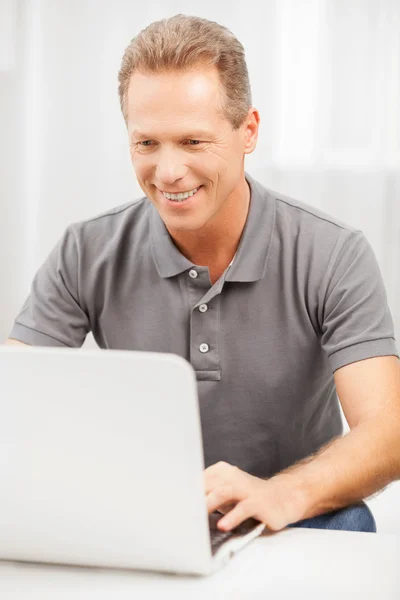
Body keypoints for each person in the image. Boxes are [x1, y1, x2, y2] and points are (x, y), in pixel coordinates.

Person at [6, 15, 400, 535]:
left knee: (350, 523)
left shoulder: (333, 253)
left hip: (292, 510)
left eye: (193, 142)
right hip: (141, 514)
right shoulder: (86, 250)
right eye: (147, 143)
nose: (167, 172)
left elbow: (389, 432)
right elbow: (12, 397)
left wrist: (282, 493)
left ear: (248, 131)